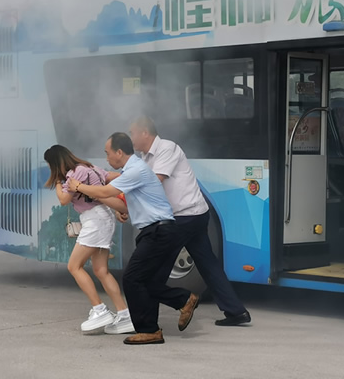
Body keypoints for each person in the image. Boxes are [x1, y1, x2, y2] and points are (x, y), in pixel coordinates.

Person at [67, 133, 199, 345]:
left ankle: (155, 323)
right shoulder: (132, 170)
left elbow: (106, 190)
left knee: (132, 278)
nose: (106, 158)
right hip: (157, 231)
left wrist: (79, 187)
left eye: (107, 153)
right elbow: (124, 202)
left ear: (120, 152)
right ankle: (168, 315)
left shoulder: (135, 169)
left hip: (158, 232)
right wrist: (123, 211)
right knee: (147, 281)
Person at [128, 116, 252, 327]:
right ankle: (236, 311)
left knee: (155, 270)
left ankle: (157, 317)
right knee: (208, 264)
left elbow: (154, 181)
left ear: (145, 133)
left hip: (185, 217)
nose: (130, 138)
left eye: (132, 133)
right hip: (190, 215)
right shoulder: (144, 157)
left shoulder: (167, 148)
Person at [43, 145, 135, 334]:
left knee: (73, 266)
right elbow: (110, 176)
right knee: (101, 271)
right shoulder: (89, 168)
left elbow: (63, 200)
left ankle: (99, 310)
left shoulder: (74, 174)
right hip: (105, 217)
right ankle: (124, 315)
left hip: (95, 221)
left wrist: (58, 182)